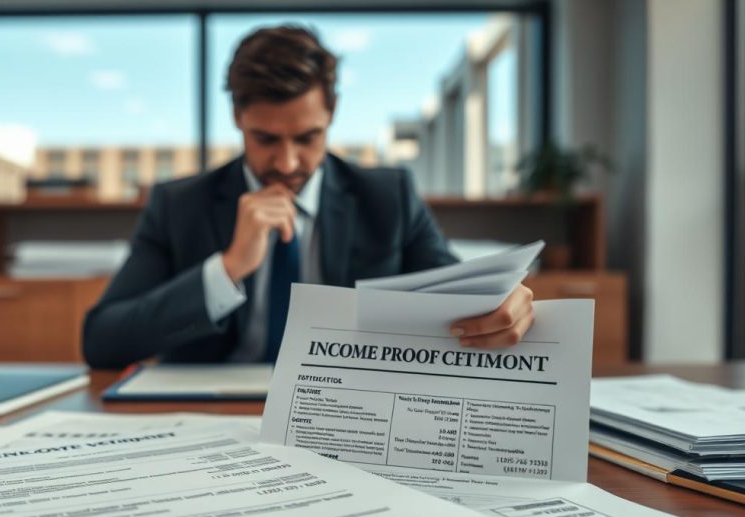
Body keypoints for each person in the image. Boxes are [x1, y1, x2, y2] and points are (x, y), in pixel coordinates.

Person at [82, 25, 533, 369]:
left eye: (307, 137)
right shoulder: (178, 205)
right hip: (210, 417)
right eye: (265, 139)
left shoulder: (388, 198)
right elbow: (101, 340)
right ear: (237, 115)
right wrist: (228, 268)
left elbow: (460, 302)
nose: (287, 162)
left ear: (332, 113)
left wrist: (499, 308)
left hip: (349, 415)